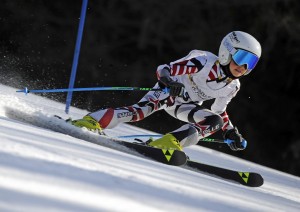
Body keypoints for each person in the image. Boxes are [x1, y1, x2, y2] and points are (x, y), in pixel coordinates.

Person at [72, 31, 262, 151]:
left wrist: (229, 132)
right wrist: (168, 81)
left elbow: (219, 111)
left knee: (215, 121)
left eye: (251, 62)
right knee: (138, 113)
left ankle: (171, 142)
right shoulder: (203, 61)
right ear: (227, 52)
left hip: (186, 106)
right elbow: (165, 69)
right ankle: (91, 120)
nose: (244, 66)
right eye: (241, 57)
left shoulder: (232, 86)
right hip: (168, 93)